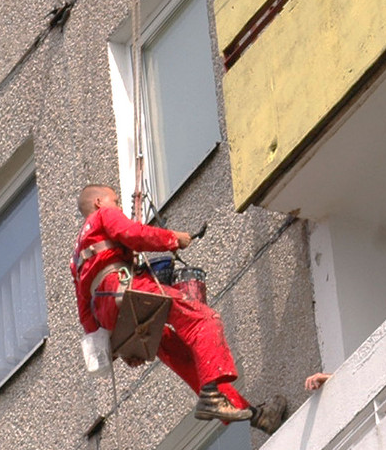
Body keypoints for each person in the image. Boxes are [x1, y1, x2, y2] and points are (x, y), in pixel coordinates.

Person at [71, 184, 286, 433]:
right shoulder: (103, 215)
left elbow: (84, 312)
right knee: (202, 319)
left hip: (109, 312)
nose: (118, 206)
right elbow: (132, 233)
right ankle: (212, 397)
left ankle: (255, 415)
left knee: (181, 354)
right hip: (124, 290)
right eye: (115, 201)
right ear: (99, 202)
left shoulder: (77, 255)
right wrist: (173, 239)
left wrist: (116, 343)